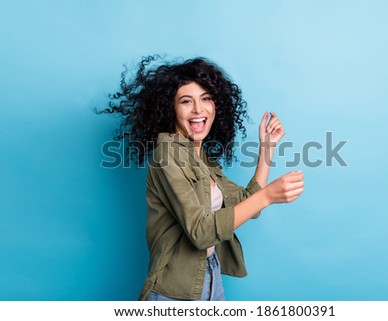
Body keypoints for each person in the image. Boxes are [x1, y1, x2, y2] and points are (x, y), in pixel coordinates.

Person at [96, 55, 305, 301]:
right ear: (170, 108)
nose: (198, 109)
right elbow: (202, 232)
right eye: (186, 101)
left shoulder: (199, 156)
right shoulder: (167, 156)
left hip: (211, 276)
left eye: (206, 98)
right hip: (175, 291)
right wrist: (268, 196)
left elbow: (248, 204)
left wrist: (267, 148)